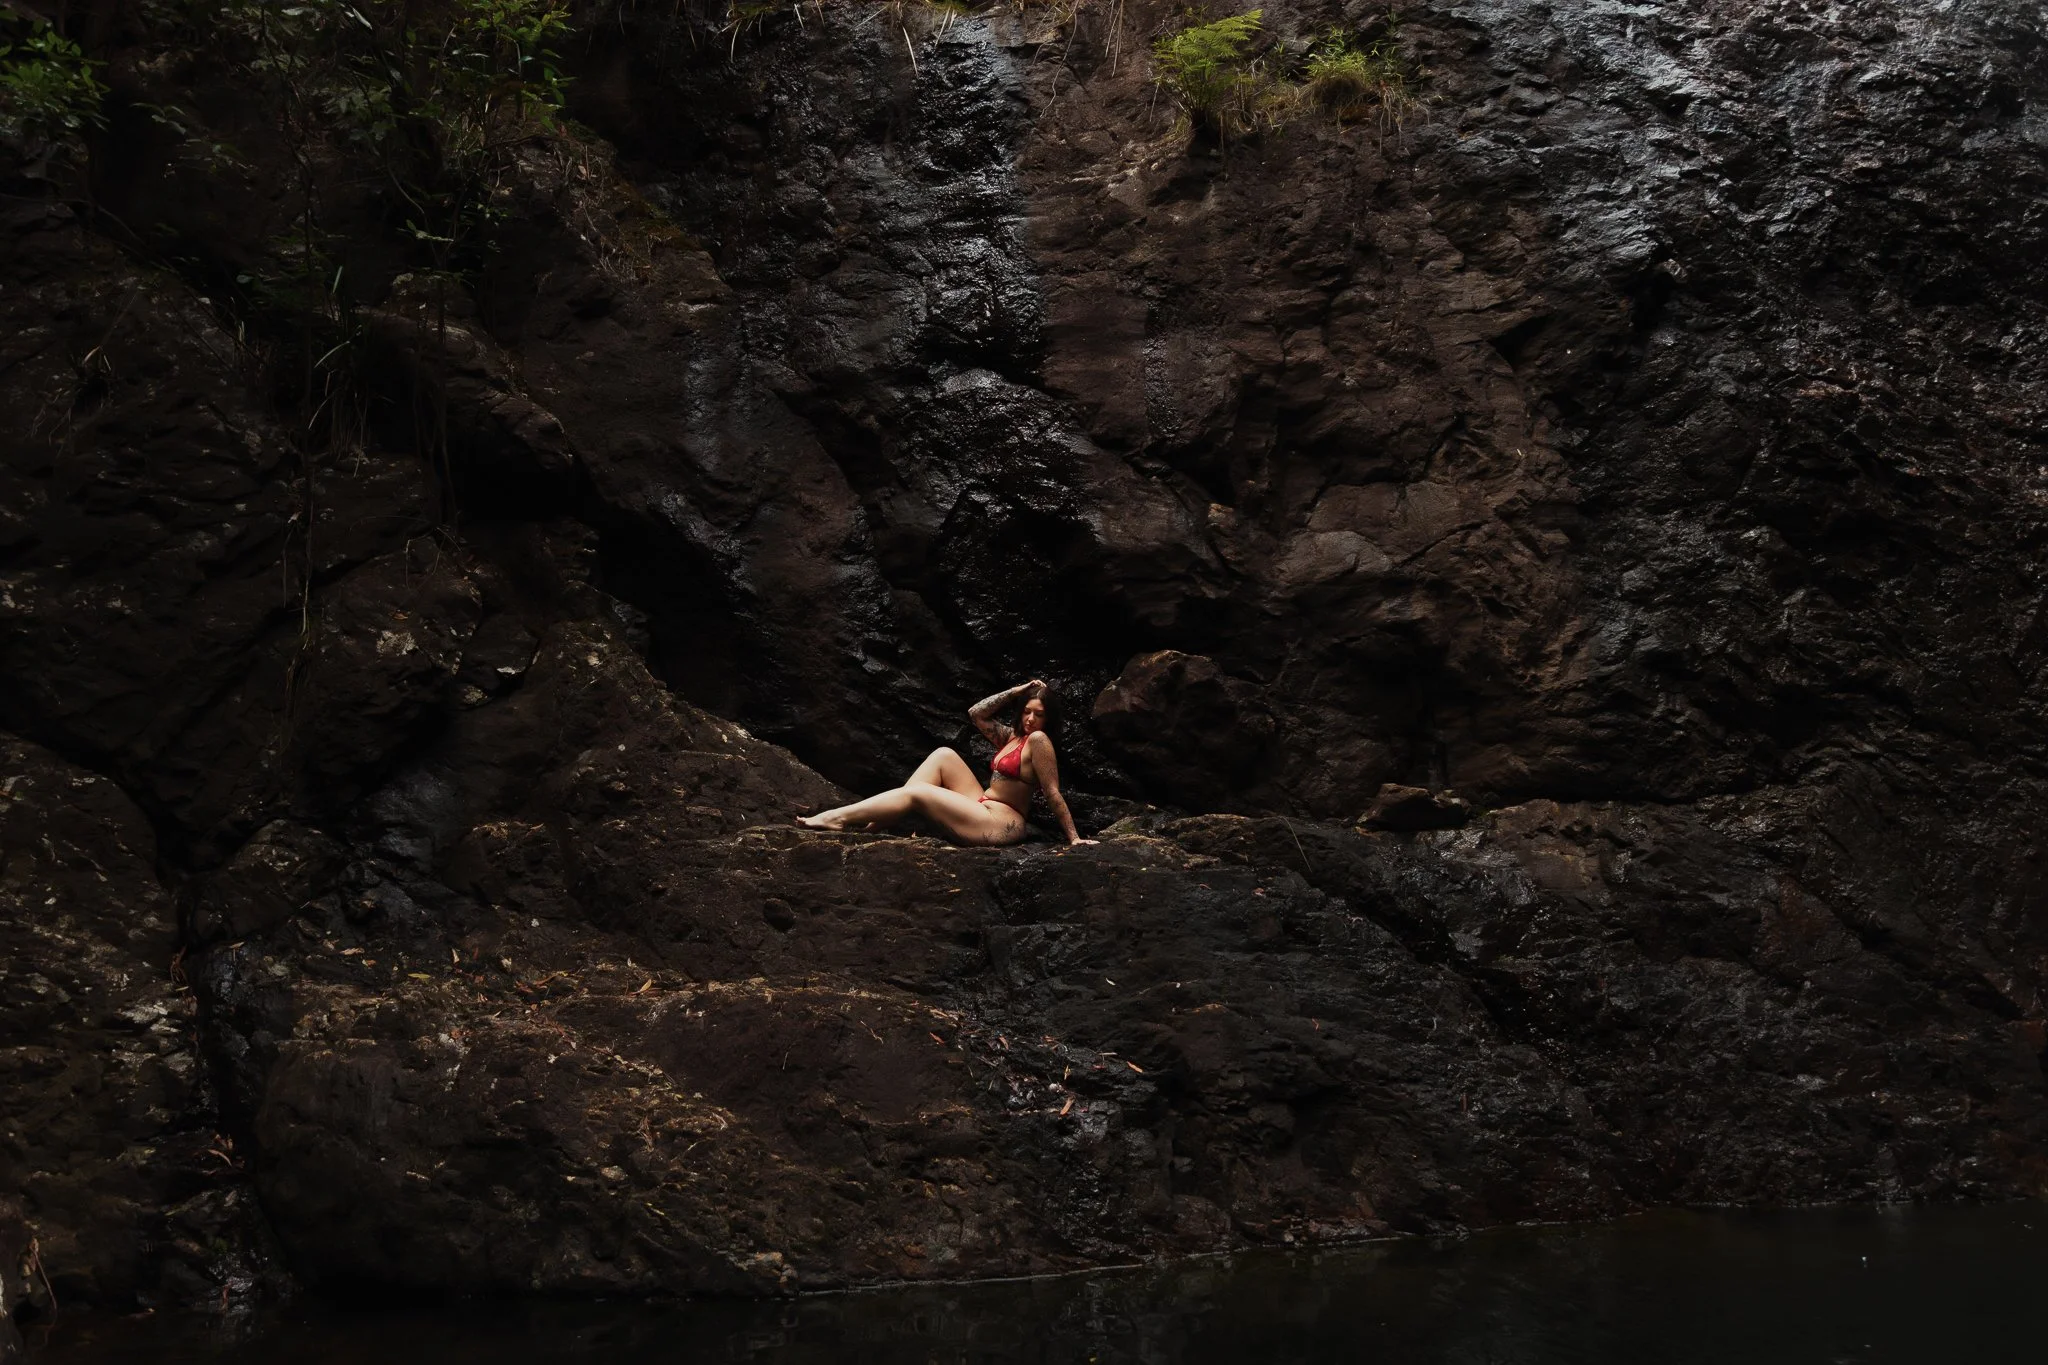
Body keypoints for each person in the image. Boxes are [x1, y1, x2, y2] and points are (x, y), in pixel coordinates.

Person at [796, 678, 1098, 847]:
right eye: (1027, 711)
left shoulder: (1039, 742)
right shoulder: (1011, 737)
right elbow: (976, 713)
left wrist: (1074, 838)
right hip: (982, 804)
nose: (1031, 719)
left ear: (1049, 718)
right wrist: (1017, 691)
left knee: (919, 794)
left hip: (1002, 822)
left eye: (1039, 714)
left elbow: (1053, 792)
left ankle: (836, 818)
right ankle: (880, 821)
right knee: (944, 755)